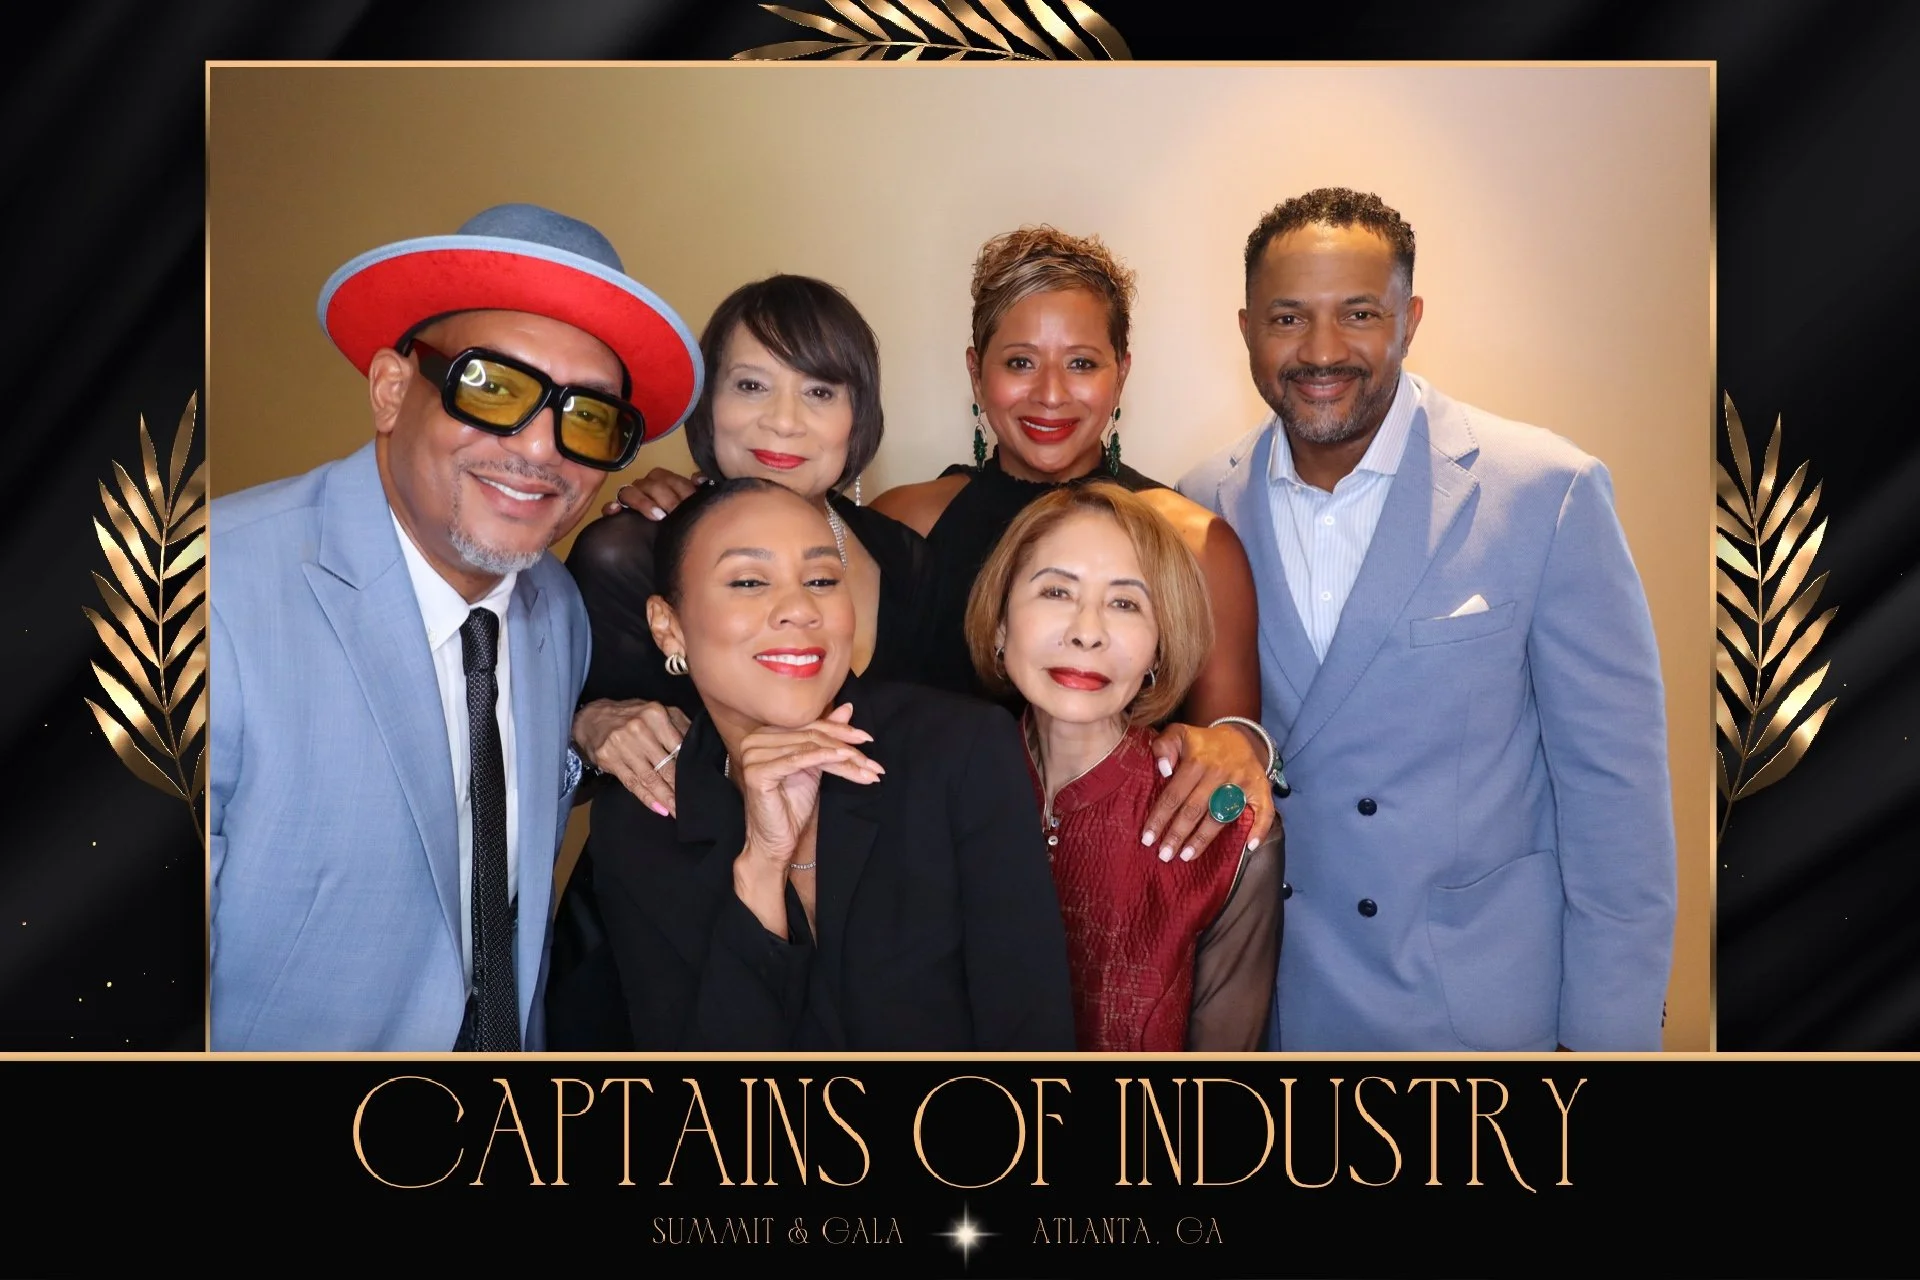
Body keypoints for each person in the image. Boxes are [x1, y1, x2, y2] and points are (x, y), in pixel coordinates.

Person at [1178, 187, 1678, 1051]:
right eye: (1288, 317)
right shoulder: (1196, 508)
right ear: (1247, 329)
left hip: (1485, 1021)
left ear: (1409, 320)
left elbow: (1616, 802)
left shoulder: (1545, 491)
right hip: (1278, 1015)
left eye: (1359, 313)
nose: (1322, 350)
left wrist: (1608, 1042)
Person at [609, 228, 1281, 867]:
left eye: (1081, 364)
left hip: (1127, 868)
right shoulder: (907, 521)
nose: (1050, 393)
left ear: (1122, 373)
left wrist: (1235, 746)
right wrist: (704, 499)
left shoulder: (1190, 539)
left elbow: (1229, 741)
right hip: (913, 877)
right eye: (1019, 362)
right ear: (975, 370)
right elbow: (775, 573)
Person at [207, 203, 702, 1051]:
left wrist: (587, 727)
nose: (542, 450)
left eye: (587, 418)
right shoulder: (208, 594)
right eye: (495, 387)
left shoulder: (558, 610)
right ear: (394, 389)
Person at [545, 274, 938, 1047]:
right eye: (750, 384)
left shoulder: (907, 560)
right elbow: (559, 746)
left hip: (862, 933)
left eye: (820, 391)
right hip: (666, 940)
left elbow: (940, 751)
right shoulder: (634, 551)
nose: (783, 420)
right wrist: (589, 724)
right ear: (707, 405)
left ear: (859, 416)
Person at [587, 476, 1077, 1050]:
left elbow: (1031, 1036)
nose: (799, 608)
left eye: (822, 580)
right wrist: (761, 872)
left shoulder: (960, 750)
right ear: (668, 626)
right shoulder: (640, 821)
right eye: (748, 581)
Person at [966, 483, 1281, 1051]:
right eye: (1057, 591)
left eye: (1125, 603)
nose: (1087, 631)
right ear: (1000, 623)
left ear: (1160, 647)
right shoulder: (935, 797)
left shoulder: (1228, 834)